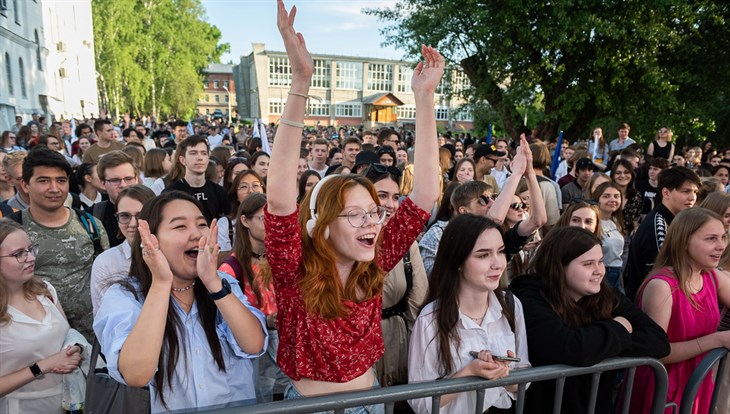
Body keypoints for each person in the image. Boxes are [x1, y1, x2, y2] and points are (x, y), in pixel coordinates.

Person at [265, 1, 441, 410]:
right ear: (323, 225)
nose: (373, 222)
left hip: (372, 398)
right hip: (310, 407)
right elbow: (277, 196)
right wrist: (301, 80)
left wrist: (424, 97)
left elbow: (426, 194)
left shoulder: (376, 260)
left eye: (374, 211)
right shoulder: (295, 271)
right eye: (356, 214)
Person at [93, 191, 267, 413]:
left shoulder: (223, 283)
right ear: (151, 239)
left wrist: (213, 283)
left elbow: (254, 344)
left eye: (201, 224)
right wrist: (161, 283)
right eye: (180, 227)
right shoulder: (124, 296)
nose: (196, 234)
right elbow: (136, 374)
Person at [510, 226, 670, 414]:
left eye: (600, 261)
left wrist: (595, 344)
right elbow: (570, 347)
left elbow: (658, 341)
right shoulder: (529, 297)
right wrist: (618, 328)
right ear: (558, 266)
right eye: (588, 264)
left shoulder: (605, 294)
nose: (599, 271)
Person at [409, 214, 528, 414]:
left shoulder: (511, 304)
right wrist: (469, 373)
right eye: (483, 255)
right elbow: (420, 402)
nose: (497, 263)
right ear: (458, 261)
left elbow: (524, 379)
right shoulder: (430, 319)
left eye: (500, 251)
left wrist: (504, 375)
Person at [629, 208, 730, 413]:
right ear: (684, 241)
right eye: (711, 239)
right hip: (663, 389)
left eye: (723, 237)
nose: (721, 246)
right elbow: (656, 351)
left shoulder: (711, 276)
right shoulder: (661, 286)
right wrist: (717, 340)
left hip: (698, 383)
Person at [15, 147, 109, 340]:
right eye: (43, 181)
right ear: (25, 185)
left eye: (61, 180)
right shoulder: (10, 230)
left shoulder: (90, 225)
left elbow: (107, 276)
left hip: (95, 338)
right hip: (39, 341)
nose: (54, 188)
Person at [0, 219, 89, 413]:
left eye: (31, 249)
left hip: (70, 401)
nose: (31, 258)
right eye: (19, 254)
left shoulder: (45, 290)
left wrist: (75, 348)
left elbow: (67, 332)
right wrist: (43, 366)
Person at [363, 164, 429, 389]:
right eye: (382, 195)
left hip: (397, 341)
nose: (390, 204)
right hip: (357, 347)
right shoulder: (344, 243)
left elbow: (417, 301)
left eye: (396, 197)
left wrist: (415, 352)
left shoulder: (407, 245)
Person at [217, 192, 288, 402]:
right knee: (260, 395)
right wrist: (266, 321)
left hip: (285, 341)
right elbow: (228, 321)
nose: (271, 224)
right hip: (252, 348)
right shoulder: (231, 267)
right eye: (264, 218)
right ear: (245, 221)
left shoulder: (282, 259)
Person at [624, 166, 701, 300]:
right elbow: (662, 275)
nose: (692, 197)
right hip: (651, 302)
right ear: (666, 193)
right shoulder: (658, 225)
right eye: (686, 191)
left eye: (695, 192)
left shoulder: (675, 220)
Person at [90, 185, 155, 315]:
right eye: (125, 216)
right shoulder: (105, 262)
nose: (132, 223)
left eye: (140, 216)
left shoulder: (171, 254)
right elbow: (103, 315)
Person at [164, 135, 230, 223]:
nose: (199, 158)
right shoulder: (170, 193)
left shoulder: (219, 192)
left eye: (203, 153)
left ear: (208, 158)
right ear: (183, 160)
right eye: (193, 153)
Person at [93, 151, 140, 248]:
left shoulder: (155, 210)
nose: (123, 185)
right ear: (102, 183)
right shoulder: (92, 216)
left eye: (128, 179)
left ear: (136, 179)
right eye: (115, 180)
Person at [591, 182, 625, 292]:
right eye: (606, 196)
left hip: (617, 273)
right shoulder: (593, 223)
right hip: (602, 274)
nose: (612, 200)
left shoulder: (615, 221)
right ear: (597, 199)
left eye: (616, 196)